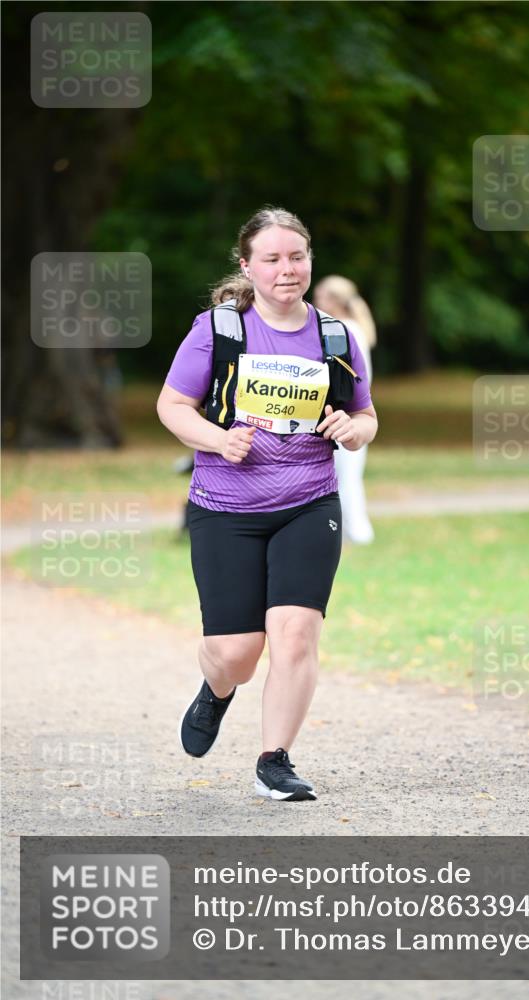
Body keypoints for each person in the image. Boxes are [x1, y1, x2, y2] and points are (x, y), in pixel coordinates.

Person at [156, 207, 377, 802]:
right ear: (247, 265)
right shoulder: (220, 330)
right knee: (237, 654)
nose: (287, 269)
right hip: (225, 506)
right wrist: (217, 439)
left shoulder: (336, 335)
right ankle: (216, 690)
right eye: (273, 259)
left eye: (297, 257)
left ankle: (274, 760)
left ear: (310, 260)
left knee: (296, 633)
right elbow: (173, 406)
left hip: (309, 501)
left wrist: (353, 431)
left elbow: (364, 415)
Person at [313, 276, 377, 545]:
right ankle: (354, 530)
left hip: (346, 414)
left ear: (333, 301)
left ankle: (356, 532)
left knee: (344, 478)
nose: (316, 304)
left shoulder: (342, 331)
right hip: (353, 412)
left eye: (320, 298)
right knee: (349, 477)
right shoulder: (354, 328)